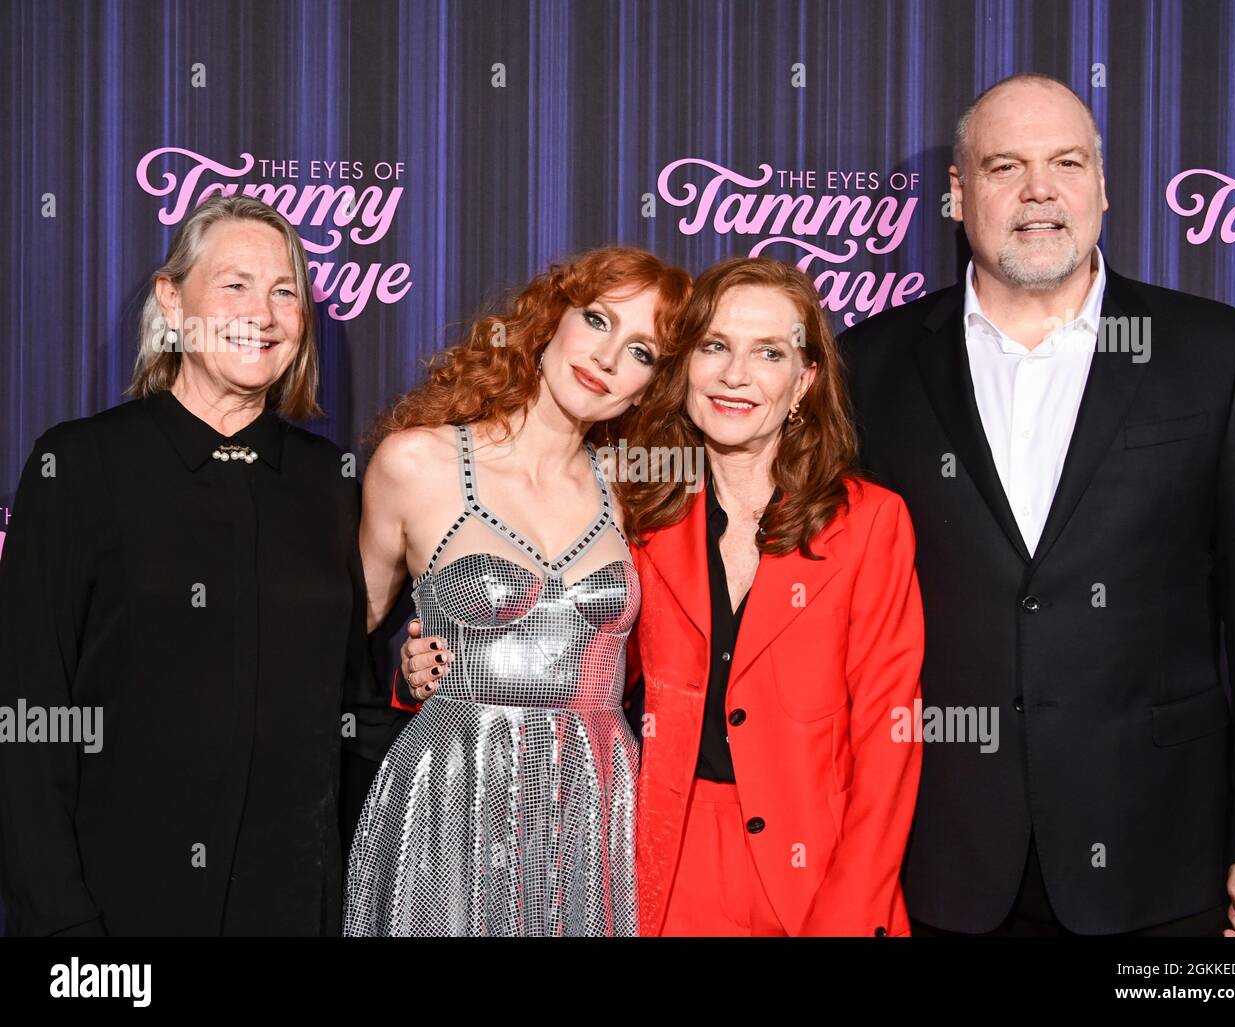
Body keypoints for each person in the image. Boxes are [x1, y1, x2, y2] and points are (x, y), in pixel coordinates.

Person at [839, 72, 1235, 936]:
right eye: (1006, 165)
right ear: (957, 193)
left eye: (1068, 162)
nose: (1040, 190)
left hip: (1163, 859)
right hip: (938, 860)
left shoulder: (1216, 352)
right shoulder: (869, 365)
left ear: (1103, 185)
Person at [401, 257, 925, 936]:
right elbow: (571, 655)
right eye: (715, 346)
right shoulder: (639, 515)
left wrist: (850, 912)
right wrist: (430, 669)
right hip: (659, 867)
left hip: (817, 870)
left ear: (803, 382)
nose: (736, 374)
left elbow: (888, 739)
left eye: (768, 353)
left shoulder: (869, 523)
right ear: (685, 369)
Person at [0, 196, 381, 936]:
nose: (263, 313)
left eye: (285, 291)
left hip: (292, 905)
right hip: (117, 908)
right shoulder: (80, 465)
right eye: (234, 284)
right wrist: (62, 926)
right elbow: (26, 711)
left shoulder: (326, 479)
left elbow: (350, 709)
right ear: (171, 302)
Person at [343, 247, 691, 936]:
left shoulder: (639, 490)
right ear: (551, 318)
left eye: (642, 350)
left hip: (590, 806)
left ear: (652, 384)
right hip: (449, 795)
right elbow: (349, 631)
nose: (607, 356)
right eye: (596, 319)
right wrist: (406, 677)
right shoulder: (416, 462)